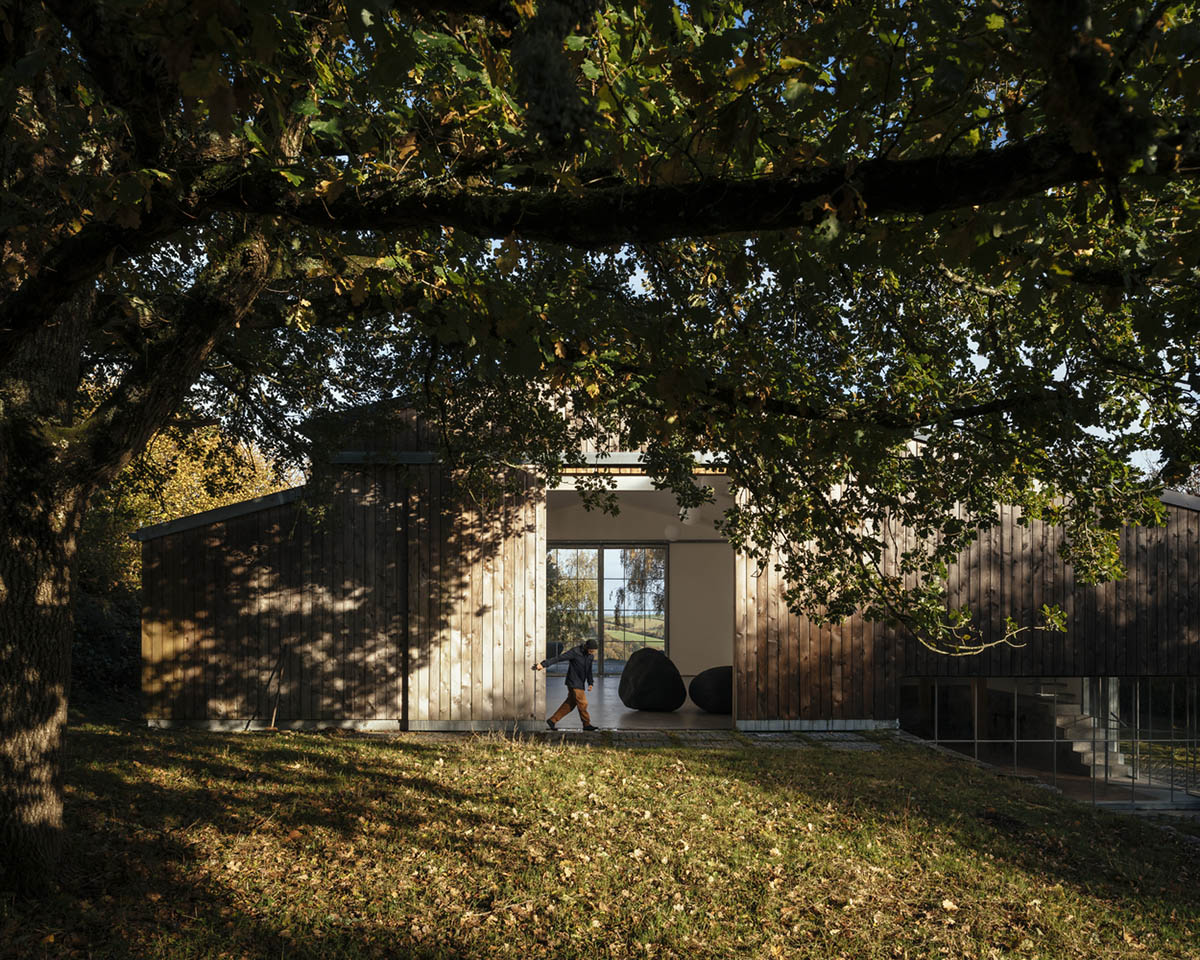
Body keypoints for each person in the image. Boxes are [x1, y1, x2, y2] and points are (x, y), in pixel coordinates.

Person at [533, 639, 599, 730]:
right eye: (591, 651)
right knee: (583, 703)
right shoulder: (575, 652)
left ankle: (552, 720)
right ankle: (586, 724)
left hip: (580, 683)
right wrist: (543, 664)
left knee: (570, 704)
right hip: (573, 682)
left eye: (594, 651)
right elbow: (559, 658)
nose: (592, 653)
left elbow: (589, 670)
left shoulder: (590, 656)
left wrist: (590, 682)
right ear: (586, 647)